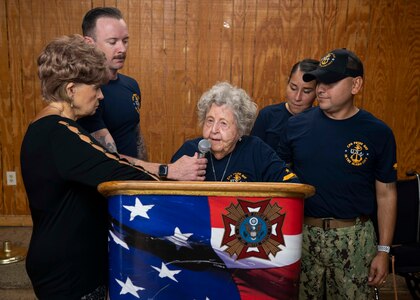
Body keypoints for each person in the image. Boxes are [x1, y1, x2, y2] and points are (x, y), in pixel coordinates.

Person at [20, 34, 160, 299]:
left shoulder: (46, 126)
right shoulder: (59, 133)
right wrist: (176, 189)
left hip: (61, 260)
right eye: (95, 87)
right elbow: (119, 170)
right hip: (69, 270)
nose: (101, 95)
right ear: (71, 90)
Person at [277, 48, 397, 299]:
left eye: (330, 82)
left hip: (354, 241)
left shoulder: (378, 133)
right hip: (303, 239)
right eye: (319, 81)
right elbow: (280, 185)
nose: (321, 89)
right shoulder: (296, 126)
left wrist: (383, 250)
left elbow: (386, 193)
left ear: (356, 85)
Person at [78, 7, 206, 180]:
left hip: (134, 185)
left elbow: (135, 136)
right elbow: (108, 159)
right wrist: (167, 170)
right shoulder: (87, 95)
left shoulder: (131, 85)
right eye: (112, 42)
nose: (121, 49)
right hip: (106, 188)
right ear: (89, 43)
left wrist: (147, 181)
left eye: (125, 41)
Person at [171, 82, 299, 183]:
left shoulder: (256, 150)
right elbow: (163, 191)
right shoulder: (189, 151)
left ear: (240, 128)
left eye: (223, 123)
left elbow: (291, 184)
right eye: (210, 121)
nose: (214, 130)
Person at [251, 59, 319, 151]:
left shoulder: (320, 121)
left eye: (306, 91)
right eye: (293, 88)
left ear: (318, 91)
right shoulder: (267, 115)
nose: (297, 97)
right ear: (287, 82)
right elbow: (253, 154)